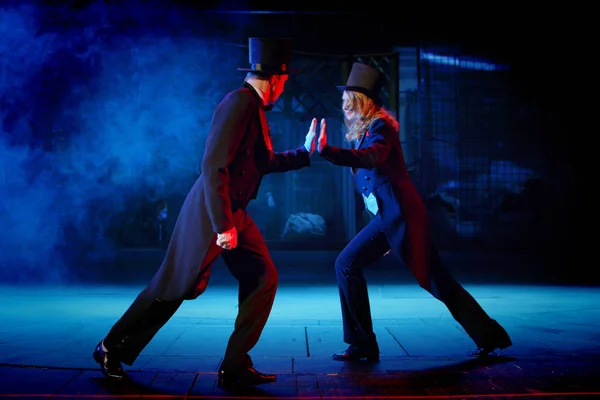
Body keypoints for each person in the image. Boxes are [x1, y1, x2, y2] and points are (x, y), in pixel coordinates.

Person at [93, 37, 318, 387]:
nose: (284, 89)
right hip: (212, 213)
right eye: (285, 82)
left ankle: (234, 364)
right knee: (174, 286)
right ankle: (111, 347)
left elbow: (263, 162)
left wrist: (305, 152)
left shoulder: (253, 108)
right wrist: (222, 224)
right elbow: (213, 165)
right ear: (274, 79)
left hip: (234, 211)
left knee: (263, 277)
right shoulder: (239, 103)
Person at [316, 62, 512, 362]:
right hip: (392, 216)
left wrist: (327, 151)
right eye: (343, 104)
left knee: (428, 278)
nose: (344, 110)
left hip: (401, 216)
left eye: (349, 104)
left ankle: (363, 344)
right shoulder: (366, 131)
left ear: (363, 104)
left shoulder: (381, 128)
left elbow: (373, 158)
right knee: (354, 265)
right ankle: (362, 343)